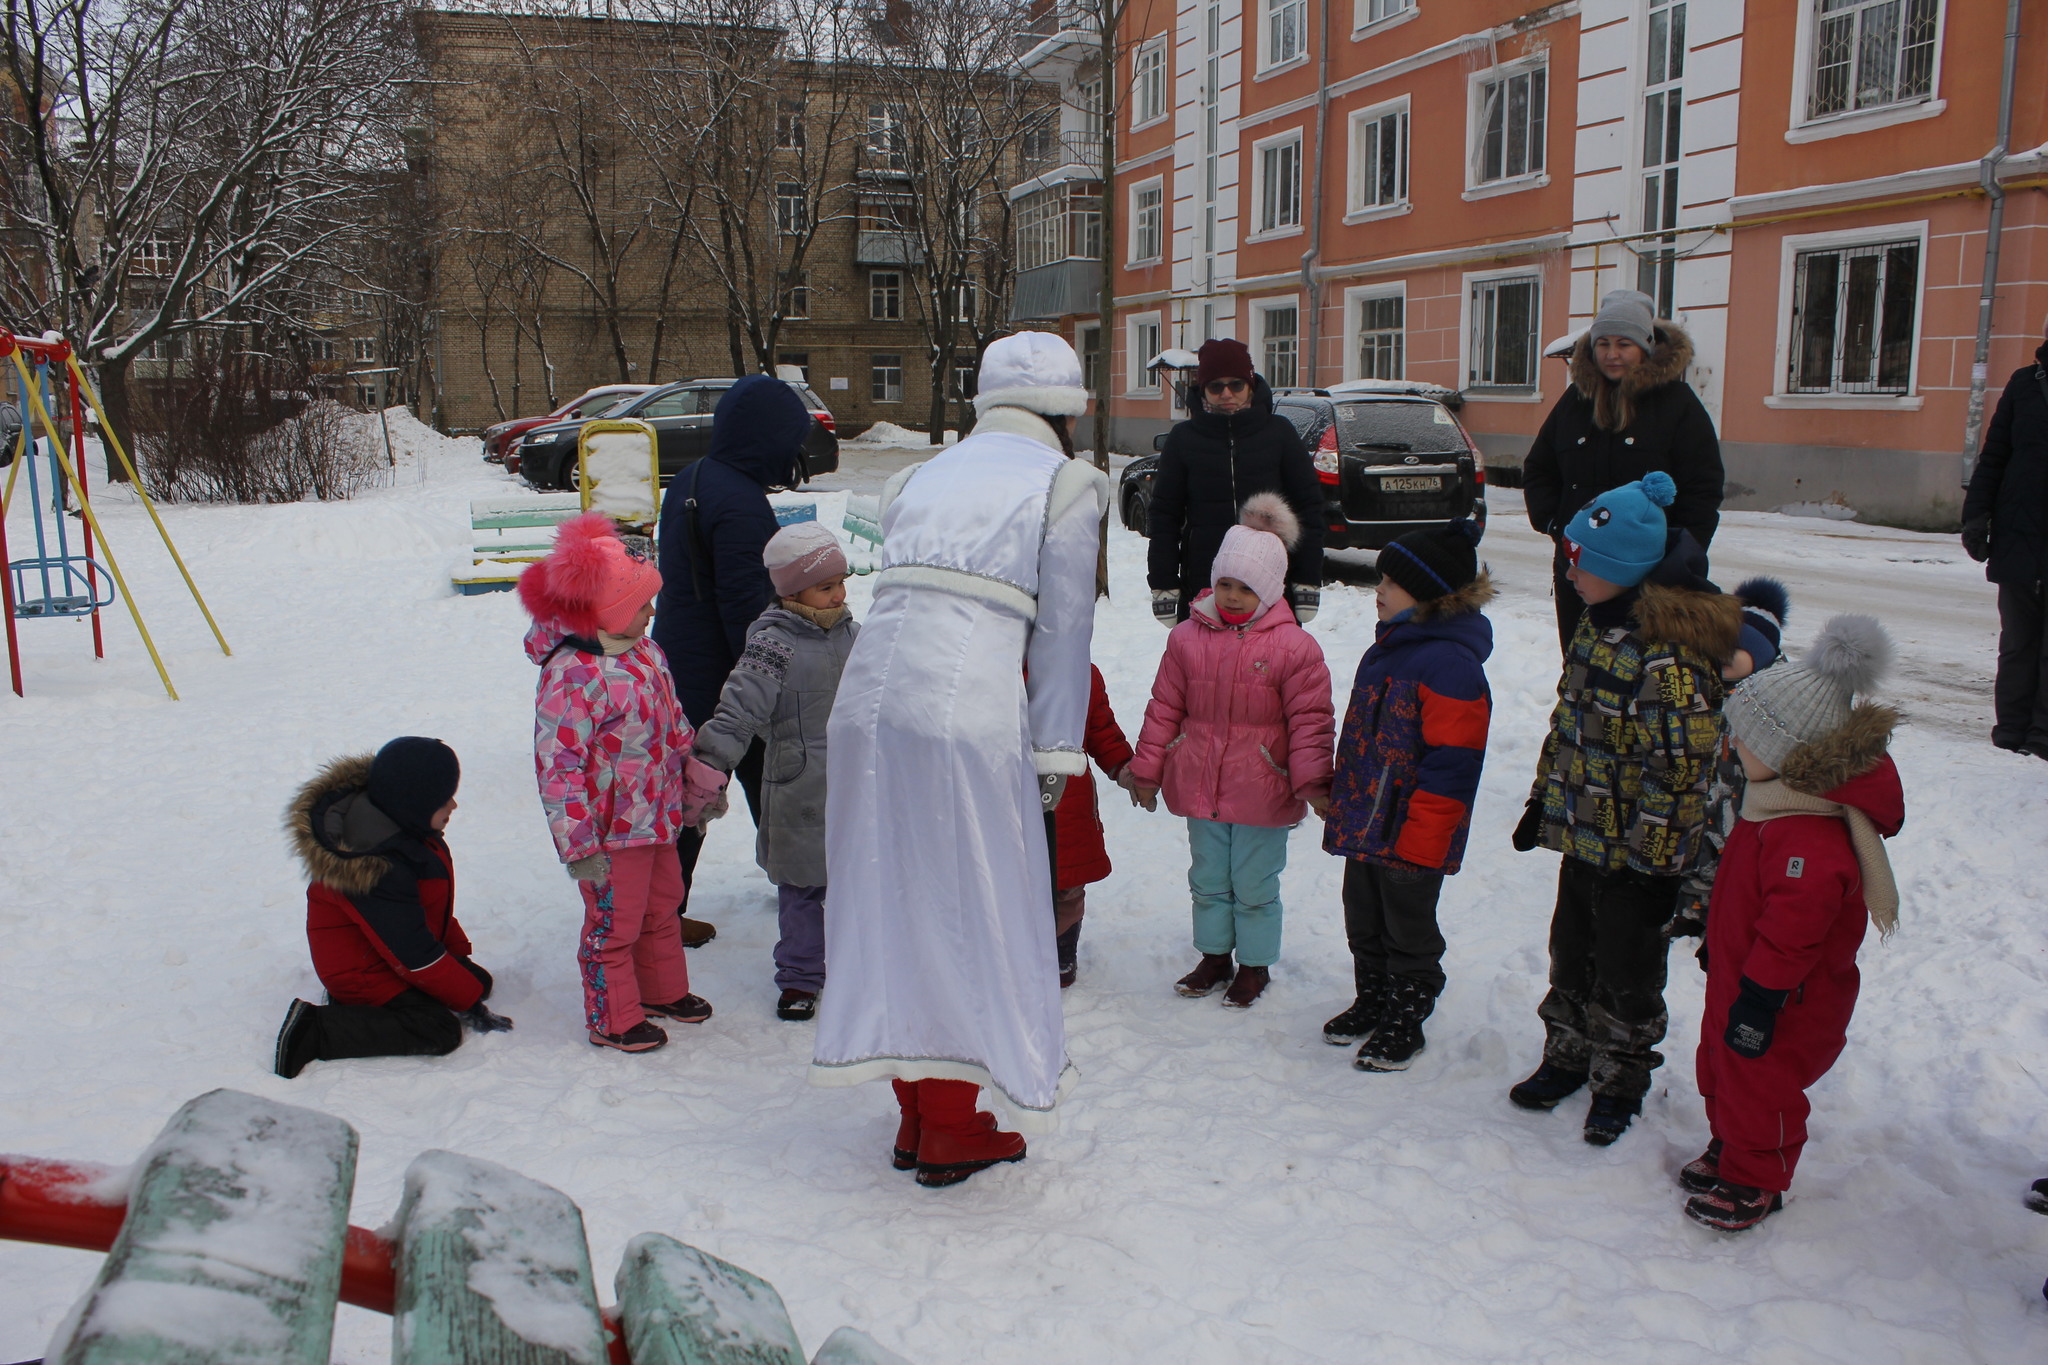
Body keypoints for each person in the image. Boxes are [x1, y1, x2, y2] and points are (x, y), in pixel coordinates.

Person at [810, 331, 1106, 1189]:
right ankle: (948, 1123)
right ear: (1067, 410)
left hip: (867, 711)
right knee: (964, 909)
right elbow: (1063, 635)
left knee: (886, 898)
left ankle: (915, 1109)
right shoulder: (1066, 485)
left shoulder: (918, 475)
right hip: (961, 715)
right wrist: (1056, 753)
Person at [1508, 471, 1739, 1146]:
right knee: (1570, 951)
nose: (1570, 573)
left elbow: (1682, 773)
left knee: (1627, 971)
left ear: (1624, 569)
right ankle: (1568, 1053)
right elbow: (1568, 722)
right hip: (1583, 834)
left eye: (1580, 564)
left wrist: (1656, 863)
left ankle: (1621, 1076)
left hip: (1639, 857)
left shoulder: (1670, 659)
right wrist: (1542, 800)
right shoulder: (1597, 625)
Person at [1686, 615, 1902, 1231]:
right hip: (1743, 979)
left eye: (1745, 741)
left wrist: (1761, 996)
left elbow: (1793, 931)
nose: (1733, 748)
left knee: (1763, 1085)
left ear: (1787, 754)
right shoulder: (1771, 807)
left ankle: (1757, 1179)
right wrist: (1717, 945)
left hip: (1783, 999)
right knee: (1720, 1066)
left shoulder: (1810, 835)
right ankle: (1731, 1146)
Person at [520, 513, 727, 1054]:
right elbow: (557, 768)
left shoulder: (647, 654)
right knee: (614, 924)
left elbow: (675, 725)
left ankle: (661, 991)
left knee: (664, 904)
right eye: (641, 605)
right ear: (606, 612)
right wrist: (578, 844)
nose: (652, 613)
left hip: (658, 816)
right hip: (609, 833)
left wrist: (699, 781)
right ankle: (612, 1016)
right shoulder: (571, 676)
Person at [1127, 494, 1336, 1010]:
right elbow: (1164, 708)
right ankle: (1215, 956)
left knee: (1254, 881)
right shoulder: (1186, 639)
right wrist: (1147, 770)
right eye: (1225, 584)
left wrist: (1313, 784)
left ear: (1270, 590)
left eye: (1248, 588)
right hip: (1200, 780)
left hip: (1262, 787)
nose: (1234, 596)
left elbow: (1311, 722)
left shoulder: (1294, 648)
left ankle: (1256, 965)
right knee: (1208, 877)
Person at [1320, 519, 1492, 1072]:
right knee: (1363, 916)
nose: (1379, 591)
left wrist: (1426, 834)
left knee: (1408, 927)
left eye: (1390, 583)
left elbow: (1454, 762)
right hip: (1369, 821)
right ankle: (1372, 998)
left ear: (1424, 594)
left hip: (1415, 830)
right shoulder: (1389, 650)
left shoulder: (1451, 665)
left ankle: (1407, 1017)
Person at [653, 374, 815, 937]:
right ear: (768, 439)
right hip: (724, 675)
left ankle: (663, 913)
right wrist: (771, 679)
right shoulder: (743, 504)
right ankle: (806, 894)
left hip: (678, 662)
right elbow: (746, 607)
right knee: (766, 785)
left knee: (695, 792)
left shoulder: (692, 478)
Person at [691, 521, 858, 1022]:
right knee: (803, 889)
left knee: (857, 883)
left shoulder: (853, 633)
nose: (839, 594)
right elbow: (738, 711)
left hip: (855, 786)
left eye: (841, 582)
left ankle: (859, 968)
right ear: (792, 590)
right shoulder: (773, 643)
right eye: (826, 586)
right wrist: (708, 768)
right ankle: (801, 978)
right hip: (799, 786)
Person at [274, 737, 510, 1079]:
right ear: (413, 804)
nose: (454, 806)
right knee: (438, 1029)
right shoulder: (375, 867)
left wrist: (458, 960)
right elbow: (414, 953)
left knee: (477, 982)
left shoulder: (406, 833)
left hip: (383, 949)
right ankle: (316, 1030)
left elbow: (431, 911)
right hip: (363, 970)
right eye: (443, 800)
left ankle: (381, 1003)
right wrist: (468, 1003)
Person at [1523, 289, 1725, 649]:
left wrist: (1678, 558)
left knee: (1641, 680)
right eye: (1603, 343)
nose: (1612, 354)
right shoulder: (1575, 402)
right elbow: (1540, 469)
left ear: (1646, 346)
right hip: (1579, 571)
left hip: (1648, 579)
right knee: (1579, 671)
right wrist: (1555, 525)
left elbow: (1702, 488)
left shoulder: (1677, 405)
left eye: (1623, 344)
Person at [1146, 337, 1324, 627]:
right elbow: (1165, 514)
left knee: (1271, 666)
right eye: (1216, 386)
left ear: (1250, 385)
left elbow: (1309, 507)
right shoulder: (1183, 439)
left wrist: (1307, 578)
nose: (1226, 393)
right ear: (1203, 389)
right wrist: (1164, 583)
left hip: (1270, 583)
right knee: (1206, 666)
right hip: (1206, 581)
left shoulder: (1279, 433)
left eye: (1236, 384)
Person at [1669, 578, 1790, 944]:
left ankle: (1726, 921)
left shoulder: (1775, 701)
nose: (1724, 655)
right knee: (1696, 854)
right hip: (1705, 793)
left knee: (1735, 864)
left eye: (1738, 649)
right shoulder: (1706, 685)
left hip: (1746, 801)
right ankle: (1691, 913)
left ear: (1763, 653)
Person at [1961, 315, 2048, 758]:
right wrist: (1976, 514)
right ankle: (2010, 732)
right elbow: (1994, 455)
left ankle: (2042, 735)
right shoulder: (2024, 383)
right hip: (2019, 533)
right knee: (2017, 640)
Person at [1051, 663, 1137, 988]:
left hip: (1067, 795)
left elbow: (1101, 730)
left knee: (1066, 881)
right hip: (1003, 794)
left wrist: (1125, 768)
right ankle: (1013, 951)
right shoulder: (991, 667)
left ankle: (1061, 953)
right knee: (1010, 880)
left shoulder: (1080, 673)